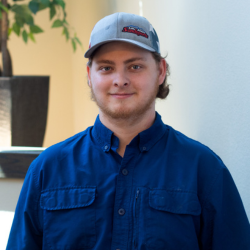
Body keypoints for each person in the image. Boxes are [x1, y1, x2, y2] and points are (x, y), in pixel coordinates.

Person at [6, 12, 250, 250]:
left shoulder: (204, 169)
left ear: (160, 71)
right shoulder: (47, 169)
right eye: (106, 68)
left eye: (134, 66)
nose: (120, 80)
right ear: (89, 75)